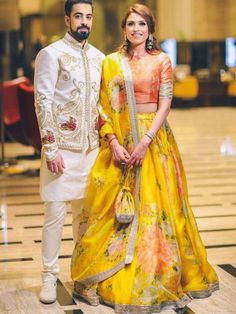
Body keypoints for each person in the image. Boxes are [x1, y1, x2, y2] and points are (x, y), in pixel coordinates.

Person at [71, 3, 219, 313]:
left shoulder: (161, 60)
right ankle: (107, 272)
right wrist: (112, 141)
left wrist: (146, 142)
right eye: (131, 24)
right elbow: (101, 106)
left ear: (150, 28)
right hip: (121, 142)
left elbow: (165, 105)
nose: (136, 29)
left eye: (142, 24)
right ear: (123, 29)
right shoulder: (112, 62)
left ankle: (155, 270)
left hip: (154, 142)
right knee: (113, 211)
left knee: (159, 207)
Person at [34, 0, 105, 304]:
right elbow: (42, 101)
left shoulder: (100, 57)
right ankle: (49, 276)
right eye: (78, 16)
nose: (84, 22)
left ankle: (83, 276)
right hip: (61, 149)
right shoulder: (51, 55)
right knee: (55, 215)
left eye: (88, 16)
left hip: (91, 150)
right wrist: (50, 148)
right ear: (67, 19)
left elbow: (101, 104)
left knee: (85, 219)